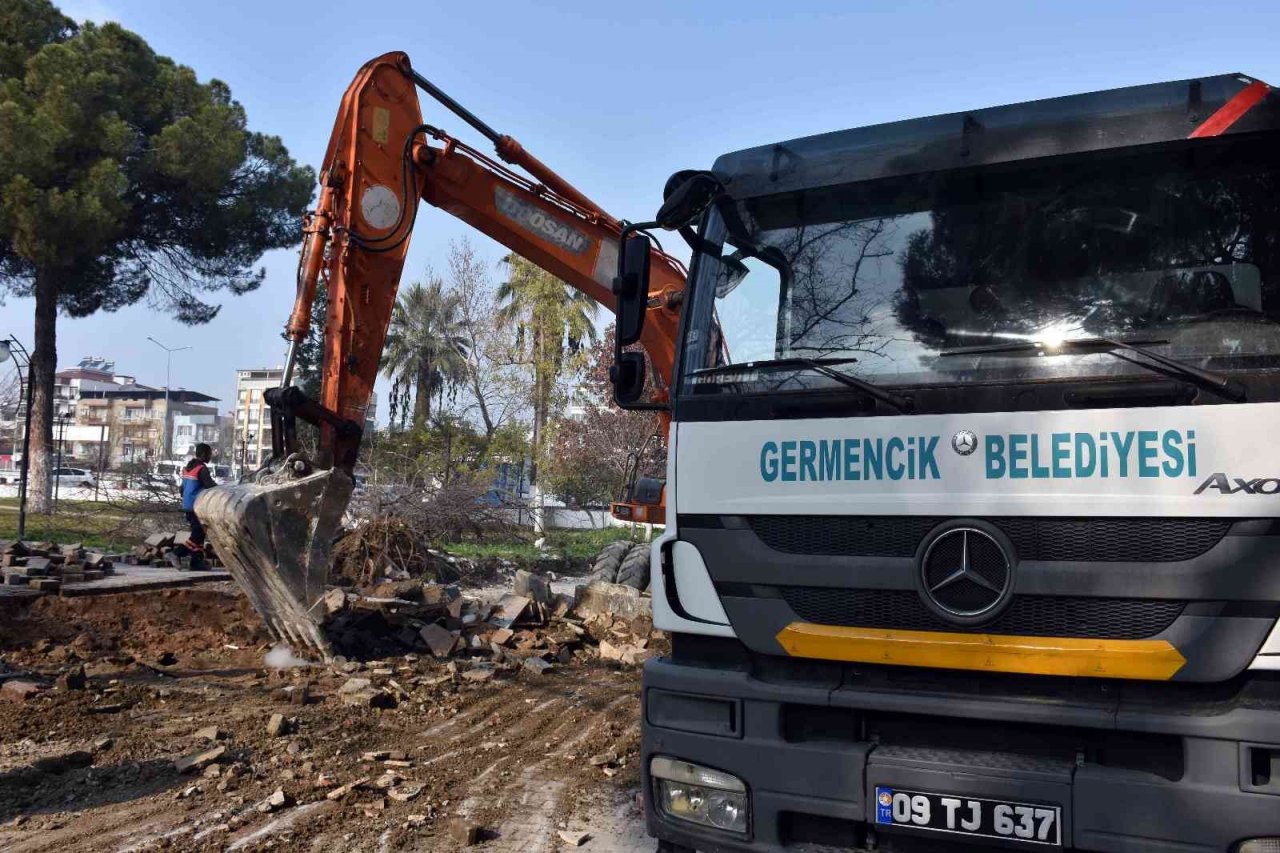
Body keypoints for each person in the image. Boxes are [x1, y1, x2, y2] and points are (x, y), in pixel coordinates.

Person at [180, 443, 218, 569]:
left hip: (187, 505)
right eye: (209, 454)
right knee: (197, 534)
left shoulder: (187, 468)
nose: (210, 456)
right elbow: (210, 486)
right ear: (203, 454)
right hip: (196, 505)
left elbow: (182, 488)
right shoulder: (201, 468)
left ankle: (196, 562)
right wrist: (224, 491)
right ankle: (177, 553)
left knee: (200, 534)